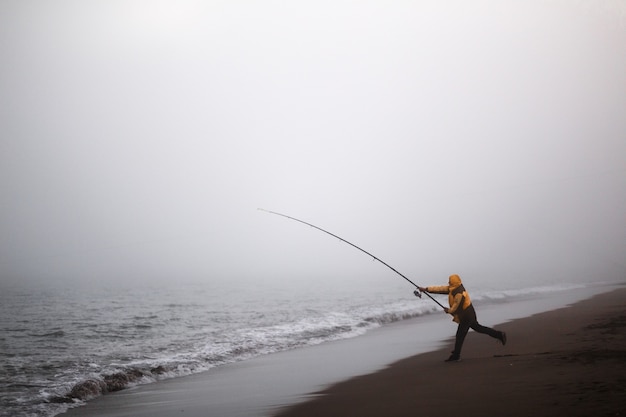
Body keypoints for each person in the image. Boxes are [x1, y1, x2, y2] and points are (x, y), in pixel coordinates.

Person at [418, 274, 506, 362]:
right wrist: (426, 289)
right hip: (469, 314)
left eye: (450, 281)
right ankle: (499, 335)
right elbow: (441, 289)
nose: (449, 282)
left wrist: (449, 310)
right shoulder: (454, 288)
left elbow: (456, 306)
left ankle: (456, 355)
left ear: (454, 282)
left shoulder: (459, 293)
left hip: (467, 316)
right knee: (478, 328)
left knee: (460, 335)